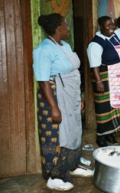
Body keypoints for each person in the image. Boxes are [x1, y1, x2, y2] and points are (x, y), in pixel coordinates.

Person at [33, 13, 92, 191]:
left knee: (73, 130)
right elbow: (43, 81)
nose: (68, 28)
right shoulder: (43, 50)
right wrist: (54, 108)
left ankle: (71, 164)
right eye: (66, 25)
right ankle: (53, 176)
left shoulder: (64, 45)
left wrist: (79, 97)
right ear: (58, 28)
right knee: (55, 135)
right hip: (55, 97)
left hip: (70, 96)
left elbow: (72, 73)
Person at [87, 16, 120, 147]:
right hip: (104, 79)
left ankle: (110, 133)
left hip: (117, 81)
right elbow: (94, 65)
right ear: (101, 27)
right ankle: (101, 136)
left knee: (113, 108)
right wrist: (99, 82)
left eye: (112, 25)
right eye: (108, 25)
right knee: (103, 108)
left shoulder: (114, 35)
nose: (111, 28)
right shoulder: (95, 44)